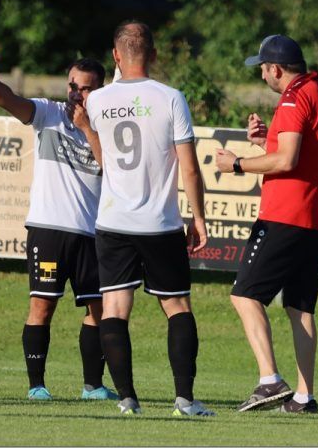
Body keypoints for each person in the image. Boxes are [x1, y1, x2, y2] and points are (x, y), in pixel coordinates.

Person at [0, 51, 116, 401]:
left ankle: (92, 386)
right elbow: (11, 101)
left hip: (92, 233)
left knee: (100, 309)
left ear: (101, 90)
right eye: (72, 86)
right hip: (49, 229)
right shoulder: (48, 114)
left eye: (85, 88)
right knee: (42, 306)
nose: (76, 94)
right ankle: (37, 385)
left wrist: (85, 127)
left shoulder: (107, 128)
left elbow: (111, 168)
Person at [85, 21, 213, 416]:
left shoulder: (97, 101)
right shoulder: (170, 97)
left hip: (113, 221)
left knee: (114, 309)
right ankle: (184, 400)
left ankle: (127, 400)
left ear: (115, 56)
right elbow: (188, 167)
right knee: (177, 307)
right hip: (159, 224)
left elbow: (104, 158)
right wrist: (199, 218)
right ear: (154, 55)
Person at [215, 34, 318, 414]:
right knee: (300, 307)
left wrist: (236, 163)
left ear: (276, 69)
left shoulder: (293, 98)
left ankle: (269, 380)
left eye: (262, 69)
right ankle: (304, 397)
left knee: (244, 295)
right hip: (316, 219)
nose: (261, 76)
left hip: (284, 215)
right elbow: (301, 156)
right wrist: (264, 141)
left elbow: (287, 161)